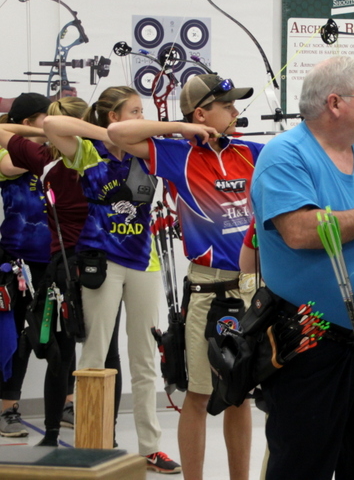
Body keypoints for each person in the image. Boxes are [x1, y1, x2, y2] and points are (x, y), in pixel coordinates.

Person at [107, 74, 260, 480]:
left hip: (252, 290)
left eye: (234, 105)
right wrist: (184, 129)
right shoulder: (179, 154)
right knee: (198, 394)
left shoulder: (251, 151)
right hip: (208, 289)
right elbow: (117, 131)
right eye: (226, 106)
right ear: (201, 113)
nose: (235, 112)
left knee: (239, 395)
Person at [249, 55, 354, 480]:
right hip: (311, 343)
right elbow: (300, 230)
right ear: (335, 103)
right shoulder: (285, 154)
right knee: (302, 463)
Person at [43, 87, 179, 472]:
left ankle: (150, 447)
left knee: (144, 359)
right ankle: (91, 442)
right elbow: (52, 124)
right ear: (114, 116)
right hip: (101, 261)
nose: (143, 115)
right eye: (135, 111)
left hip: (143, 261)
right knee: (95, 355)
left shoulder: (148, 153)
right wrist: (107, 134)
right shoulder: (89, 153)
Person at [0, 96, 125, 446]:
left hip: (87, 265)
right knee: (51, 345)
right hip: (49, 265)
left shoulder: (79, 157)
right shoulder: (51, 157)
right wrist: (47, 134)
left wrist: (49, 136)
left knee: (79, 348)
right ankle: (22, 413)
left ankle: (71, 430)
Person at [0, 93, 52, 438]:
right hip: (14, 259)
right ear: (28, 122)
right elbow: (11, 166)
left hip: (52, 258)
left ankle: (64, 405)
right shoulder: (9, 153)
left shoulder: (53, 152)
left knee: (51, 335)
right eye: (45, 119)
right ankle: (8, 409)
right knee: (13, 336)